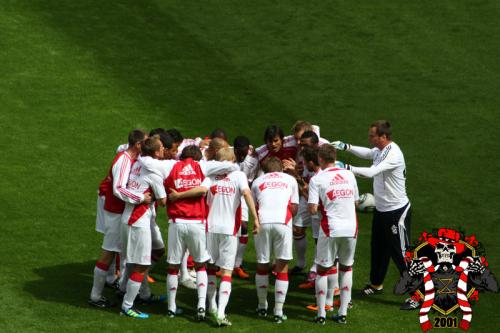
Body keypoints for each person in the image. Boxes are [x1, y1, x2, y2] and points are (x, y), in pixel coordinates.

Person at [169, 147, 260, 326]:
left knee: (209, 269)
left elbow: (200, 191)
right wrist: (256, 218)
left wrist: (179, 195)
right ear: (233, 159)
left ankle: (208, 305)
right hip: (228, 230)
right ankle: (220, 313)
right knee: (226, 273)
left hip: (209, 229)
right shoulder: (239, 175)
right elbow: (247, 194)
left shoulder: (209, 176)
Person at [332, 120, 414, 309]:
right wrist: (347, 147)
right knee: (378, 248)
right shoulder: (380, 150)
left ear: (383, 137)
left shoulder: (393, 153)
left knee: (401, 253)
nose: (369, 138)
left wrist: (346, 167)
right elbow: (369, 154)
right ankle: (376, 284)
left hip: (396, 211)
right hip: (382, 209)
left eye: (372, 135)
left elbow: (371, 172)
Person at [88, 130, 151, 308]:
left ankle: (132, 291)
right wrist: (140, 198)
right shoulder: (123, 161)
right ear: (138, 145)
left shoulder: (130, 157)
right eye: (144, 143)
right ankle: (95, 296)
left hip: (119, 212)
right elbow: (118, 189)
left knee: (125, 254)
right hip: (115, 213)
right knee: (108, 252)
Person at [308, 144, 359, 324]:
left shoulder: (317, 179)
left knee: (322, 270)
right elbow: (356, 203)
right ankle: (343, 312)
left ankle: (321, 314)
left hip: (330, 228)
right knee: (346, 267)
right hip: (351, 228)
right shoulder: (349, 175)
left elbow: (313, 209)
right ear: (335, 156)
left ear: (320, 160)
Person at [119, 136, 167, 319]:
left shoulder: (137, 164)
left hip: (129, 218)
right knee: (141, 264)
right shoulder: (154, 173)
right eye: (161, 147)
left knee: (136, 261)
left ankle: (140, 294)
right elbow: (162, 201)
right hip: (138, 221)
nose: (163, 149)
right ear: (155, 152)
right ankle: (127, 305)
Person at [251, 157, 299, 324]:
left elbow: (254, 205)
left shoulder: (257, 181)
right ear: (281, 169)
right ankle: (278, 311)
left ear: (264, 170)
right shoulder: (291, 180)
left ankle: (261, 306)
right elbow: (294, 207)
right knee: (282, 267)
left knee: (262, 265)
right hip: (282, 222)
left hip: (262, 223)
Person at [232, 136, 259, 279]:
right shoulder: (228, 157)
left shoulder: (253, 161)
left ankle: (238, 265)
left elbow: (250, 182)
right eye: (239, 153)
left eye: (244, 153)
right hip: (227, 194)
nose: (242, 156)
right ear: (234, 150)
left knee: (243, 227)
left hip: (242, 194)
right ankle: (221, 263)